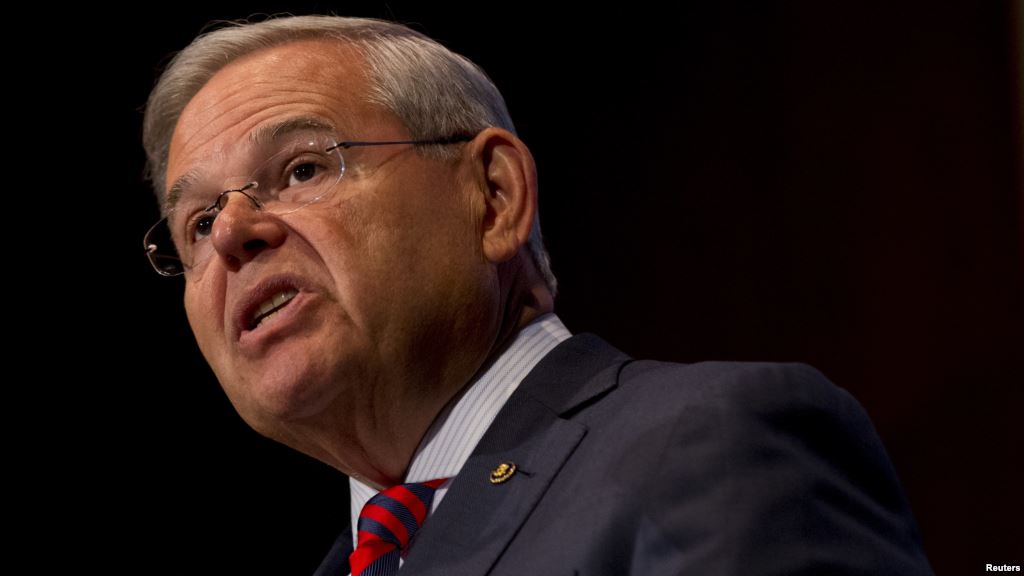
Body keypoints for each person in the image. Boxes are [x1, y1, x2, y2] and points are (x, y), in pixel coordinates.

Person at [141, 15, 934, 575]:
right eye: (198, 221)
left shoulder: (709, 446)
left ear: (493, 196)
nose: (233, 232)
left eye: (304, 169)